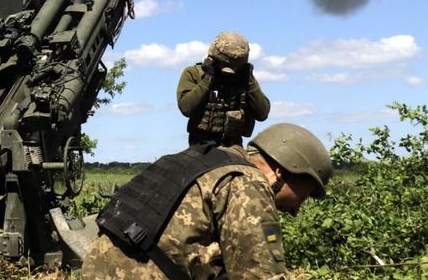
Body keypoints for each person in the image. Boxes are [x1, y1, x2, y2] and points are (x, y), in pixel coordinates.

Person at [82, 123, 332, 280]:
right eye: (305, 194)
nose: (297, 209)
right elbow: (260, 275)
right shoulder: (248, 183)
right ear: (283, 171)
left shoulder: (200, 161)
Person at [177, 31, 271, 146]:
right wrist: (208, 79)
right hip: (201, 146)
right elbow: (186, 108)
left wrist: (249, 78)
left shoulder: (245, 79)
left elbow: (262, 113)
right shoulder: (194, 73)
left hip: (233, 146)